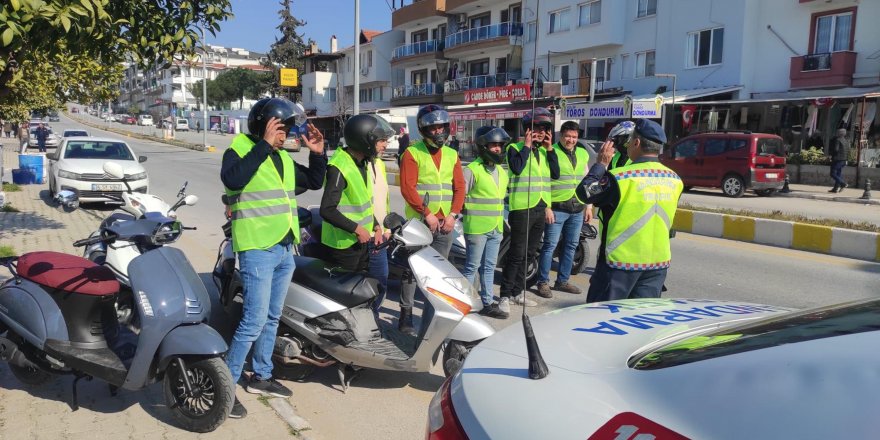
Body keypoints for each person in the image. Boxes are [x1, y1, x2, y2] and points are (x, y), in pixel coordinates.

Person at [220, 97, 327, 420]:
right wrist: (265, 145)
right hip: (256, 248)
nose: (286, 135)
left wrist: (319, 154)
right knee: (253, 319)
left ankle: (262, 376)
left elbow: (312, 181)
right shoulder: (238, 149)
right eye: (281, 128)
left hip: (283, 246)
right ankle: (226, 383)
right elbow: (233, 180)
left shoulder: (280, 158)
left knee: (271, 317)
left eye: (287, 130)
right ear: (264, 125)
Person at [575, 119, 683, 303]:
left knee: (602, 320)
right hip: (657, 264)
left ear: (636, 142)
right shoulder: (675, 179)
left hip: (620, 265)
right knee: (640, 322)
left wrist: (601, 165)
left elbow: (584, 193)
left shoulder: (620, 178)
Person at [398, 104, 465, 335]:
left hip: (445, 225)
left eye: (441, 127)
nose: (438, 132)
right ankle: (406, 314)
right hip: (419, 223)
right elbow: (407, 187)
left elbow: (459, 188)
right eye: (433, 128)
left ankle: (431, 318)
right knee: (412, 272)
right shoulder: (412, 153)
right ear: (424, 129)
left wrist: (452, 215)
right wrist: (426, 213)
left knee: (437, 274)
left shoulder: (452, 154)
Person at [499, 108, 560, 314]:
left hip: (540, 207)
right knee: (516, 254)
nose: (541, 133)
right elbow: (516, 168)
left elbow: (556, 174)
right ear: (527, 130)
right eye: (537, 128)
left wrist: (550, 149)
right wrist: (526, 146)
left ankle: (518, 292)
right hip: (521, 208)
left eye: (544, 129)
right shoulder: (514, 148)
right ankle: (505, 295)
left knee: (530, 253)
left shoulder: (544, 152)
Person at [320, 114, 393, 273]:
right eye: (379, 141)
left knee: (363, 287)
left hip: (360, 242)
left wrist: (376, 227)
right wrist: (357, 229)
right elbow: (327, 209)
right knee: (346, 293)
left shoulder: (362, 163)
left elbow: (363, 203)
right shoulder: (339, 166)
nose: (385, 145)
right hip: (343, 245)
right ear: (364, 141)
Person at [535, 121, 592, 297]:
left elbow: (587, 180)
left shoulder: (583, 154)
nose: (571, 140)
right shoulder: (550, 151)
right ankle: (542, 282)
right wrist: (547, 207)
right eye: (568, 136)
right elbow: (543, 181)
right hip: (557, 207)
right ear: (561, 136)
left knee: (571, 246)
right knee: (550, 246)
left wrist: (589, 206)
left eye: (574, 137)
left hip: (577, 208)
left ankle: (562, 281)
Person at [461, 126, 511, 319]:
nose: (498, 149)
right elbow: (461, 198)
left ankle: (488, 302)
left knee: (489, 267)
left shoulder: (501, 171)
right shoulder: (472, 170)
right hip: (477, 228)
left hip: (496, 227)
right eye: (493, 145)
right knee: (471, 267)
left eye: (500, 145)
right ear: (483, 146)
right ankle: (466, 303)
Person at [367, 122, 394, 315]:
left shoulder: (380, 164)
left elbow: (383, 199)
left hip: (381, 236)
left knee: (381, 282)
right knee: (370, 284)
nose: (385, 145)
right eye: (381, 141)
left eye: (386, 140)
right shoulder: (358, 165)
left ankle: (373, 318)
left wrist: (388, 227)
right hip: (364, 234)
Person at [829, 128, 850, 193]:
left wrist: (830, 155)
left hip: (837, 159)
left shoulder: (838, 140)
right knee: (838, 174)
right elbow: (847, 150)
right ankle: (835, 188)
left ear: (839, 133)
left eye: (837, 132)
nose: (837, 133)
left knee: (832, 173)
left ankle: (843, 183)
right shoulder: (846, 140)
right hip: (843, 160)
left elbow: (836, 150)